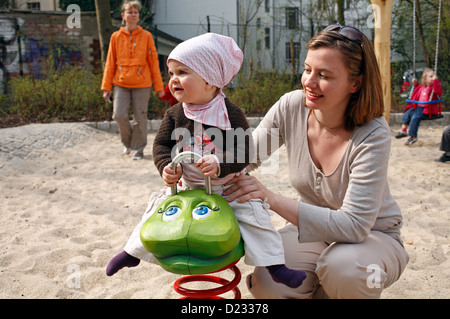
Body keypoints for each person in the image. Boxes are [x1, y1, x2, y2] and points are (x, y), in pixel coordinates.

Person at [106, 33, 307, 289]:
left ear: (210, 81)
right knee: (154, 207)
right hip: (190, 186)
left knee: (255, 215)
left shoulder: (230, 114)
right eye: (171, 73)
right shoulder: (175, 113)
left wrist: (221, 164)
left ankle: (275, 266)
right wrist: (166, 166)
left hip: (228, 187)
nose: (174, 79)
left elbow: (245, 149)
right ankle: (132, 252)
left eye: (183, 72)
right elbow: (160, 145)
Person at [222, 25, 409, 299]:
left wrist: (270, 198)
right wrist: (201, 166)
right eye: (307, 69)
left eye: (324, 75)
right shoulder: (291, 107)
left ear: (355, 84)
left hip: (373, 237)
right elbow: (244, 157)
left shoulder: (373, 132)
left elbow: (355, 225)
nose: (309, 81)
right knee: (269, 279)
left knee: (344, 269)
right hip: (314, 233)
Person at [101, 0, 164, 160]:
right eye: (130, 12)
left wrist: (159, 86)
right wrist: (106, 87)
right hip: (120, 82)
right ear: (123, 15)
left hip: (142, 84)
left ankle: (138, 149)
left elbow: (153, 62)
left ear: (138, 16)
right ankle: (128, 143)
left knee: (140, 117)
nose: (133, 14)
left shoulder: (147, 36)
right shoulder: (115, 37)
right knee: (118, 115)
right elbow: (109, 62)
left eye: (135, 12)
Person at [395, 69, 443, 146]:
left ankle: (413, 137)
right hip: (418, 107)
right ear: (425, 80)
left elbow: (439, 92)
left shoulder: (433, 88)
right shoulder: (421, 87)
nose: (433, 77)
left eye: (434, 76)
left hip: (427, 109)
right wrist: (415, 83)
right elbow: (417, 88)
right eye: (431, 76)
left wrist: (436, 81)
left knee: (415, 118)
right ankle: (403, 131)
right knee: (407, 113)